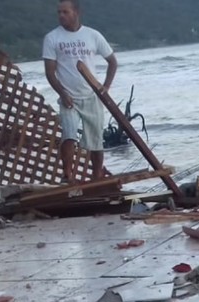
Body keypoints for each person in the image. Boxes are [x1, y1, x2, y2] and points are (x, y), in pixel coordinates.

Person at [42, 0, 118, 182]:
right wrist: (62, 93)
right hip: (69, 96)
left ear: (76, 12)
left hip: (92, 96)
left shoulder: (92, 35)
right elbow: (50, 72)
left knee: (96, 139)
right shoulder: (52, 38)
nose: (61, 16)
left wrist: (105, 87)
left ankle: (97, 175)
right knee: (68, 135)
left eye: (65, 12)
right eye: (59, 12)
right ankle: (68, 175)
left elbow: (112, 62)